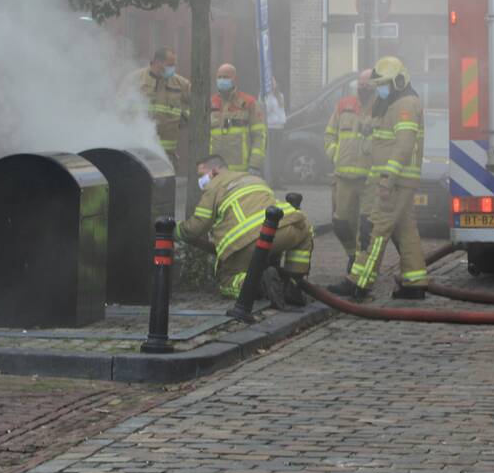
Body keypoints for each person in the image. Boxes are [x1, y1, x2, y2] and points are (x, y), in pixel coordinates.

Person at [328, 56, 428, 301]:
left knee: (375, 231)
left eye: (383, 84)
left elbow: (403, 147)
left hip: (393, 183)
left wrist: (387, 179)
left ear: (399, 81)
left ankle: (359, 282)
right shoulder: (394, 103)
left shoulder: (405, 105)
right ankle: (415, 282)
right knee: (405, 231)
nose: (379, 89)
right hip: (395, 181)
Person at [175, 155, 312, 307]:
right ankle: (293, 284)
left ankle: (258, 284)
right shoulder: (253, 178)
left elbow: (196, 228)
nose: (200, 180)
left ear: (214, 171)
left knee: (226, 280)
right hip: (285, 228)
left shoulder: (213, 187)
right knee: (304, 231)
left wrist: (173, 230)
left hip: (246, 243)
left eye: (201, 175)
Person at [324, 69, 374, 271]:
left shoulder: (383, 108)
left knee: (367, 227)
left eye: (367, 86)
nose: (363, 89)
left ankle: (362, 266)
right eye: (360, 85)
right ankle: (352, 254)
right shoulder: (344, 105)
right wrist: (336, 155)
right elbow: (329, 135)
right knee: (341, 223)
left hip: (369, 180)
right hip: (343, 177)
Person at [117, 47, 190, 170]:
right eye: (169, 65)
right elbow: (120, 109)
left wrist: (185, 117)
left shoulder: (180, 84)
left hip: (166, 156)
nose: (172, 69)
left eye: (173, 65)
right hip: (139, 153)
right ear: (157, 63)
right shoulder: (134, 80)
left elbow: (200, 104)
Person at [210, 64, 267, 174]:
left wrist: (254, 166)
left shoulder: (249, 103)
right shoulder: (211, 103)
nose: (222, 80)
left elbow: (260, 137)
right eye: (219, 77)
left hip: (241, 172)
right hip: (215, 171)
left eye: (226, 77)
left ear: (234, 79)